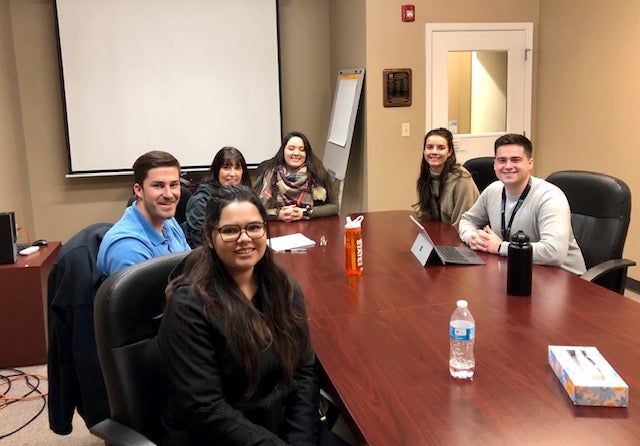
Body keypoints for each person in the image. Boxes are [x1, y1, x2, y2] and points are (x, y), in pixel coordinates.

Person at [157, 185, 321, 445]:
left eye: (254, 227)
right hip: (217, 436)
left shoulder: (284, 288)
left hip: (277, 426)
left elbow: (303, 373)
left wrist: (301, 439)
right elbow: (205, 408)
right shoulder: (189, 305)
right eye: (230, 230)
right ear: (210, 237)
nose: (245, 238)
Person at [458, 134, 586, 274]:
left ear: (530, 163)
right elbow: (468, 220)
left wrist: (500, 247)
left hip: (563, 278)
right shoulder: (493, 190)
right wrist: (471, 237)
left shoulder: (550, 197)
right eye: (502, 160)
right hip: (518, 269)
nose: (508, 166)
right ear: (494, 164)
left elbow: (554, 253)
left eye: (516, 160)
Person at [97, 150, 190, 276]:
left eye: (173, 185)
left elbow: (191, 269)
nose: (169, 194)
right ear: (139, 190)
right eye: (158, 186)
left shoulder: (168, 221)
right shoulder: (127, 248)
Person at [254, 131, 338, 221]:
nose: (296, 153)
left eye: (302, 150)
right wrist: (278, 214)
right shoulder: (270, 173)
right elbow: (253, 210)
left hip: (310, 228)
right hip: (278, 229)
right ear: (283, 151)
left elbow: (335, 207)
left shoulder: (317, 173)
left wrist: (305, 212)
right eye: (291, 149)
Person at [184, 146, 252, 247]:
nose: (233, 174)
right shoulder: (201, 200)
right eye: (226, 167)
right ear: (217, 171)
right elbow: (201, 243)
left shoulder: (244, 196)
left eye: (237, 168)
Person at [413, 127, 479, 227]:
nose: (434, 152)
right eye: (430, 147)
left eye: (441, 148)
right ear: (424, 151)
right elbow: (426, 216)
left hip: (463, 236)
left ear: (449, 152)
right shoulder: (426, 176)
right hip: (440, 235)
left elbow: (463, 224)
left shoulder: (461, 179)